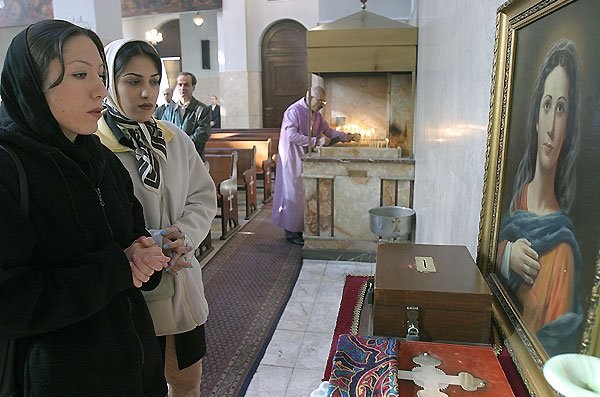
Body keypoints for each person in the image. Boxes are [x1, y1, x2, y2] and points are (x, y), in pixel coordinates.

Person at [0, 20, 169, 396]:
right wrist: (117, 268)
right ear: (32, 84)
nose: (100, 89)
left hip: (136, 371)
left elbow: (132, 244)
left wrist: (147, 257)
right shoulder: (9, 169)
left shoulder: (102, 160)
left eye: (100, 73)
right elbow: (10, 301)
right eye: (80, 74)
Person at [97, 39, 218, 397]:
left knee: (186, 381)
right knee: (138, 383)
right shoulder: (96, 147)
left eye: (153, 81)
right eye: (133, 81)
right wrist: (149, 240)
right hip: (133, 291)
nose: (146, 93)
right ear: (110, 83)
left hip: (181, 284)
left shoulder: (174, 139)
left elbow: (202, 195)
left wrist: (185, 233)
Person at [496, 38, 582, 356]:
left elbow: (553, 347)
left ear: (568, 126)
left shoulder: (562, 250)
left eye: (561, 109)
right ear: (536, 117)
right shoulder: (514, 199)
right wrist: (506, 256)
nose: (550, 126)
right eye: (547, 105)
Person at [272, 86, 360, 245]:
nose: (322, 106)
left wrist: (347, 136)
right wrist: (315, 141)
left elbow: (328, 131)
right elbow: (291, 135)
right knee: (294, 193)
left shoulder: (317, 115)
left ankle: (303, 228)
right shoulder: (293, 111)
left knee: (306, 194)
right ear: (310, 97)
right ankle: (292, 233)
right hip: (293, 157)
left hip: (307, 157)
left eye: (323, 102)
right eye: (320, 102)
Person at [160, 72, 211, 159]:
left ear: (193, 87)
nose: (182, 88)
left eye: (186, 85)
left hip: (194, 158)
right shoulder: (169, 110)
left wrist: (179, 146)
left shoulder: (202, 109)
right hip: (173, 158)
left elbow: (202, 135)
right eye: (180, 85)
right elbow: (163, 131)